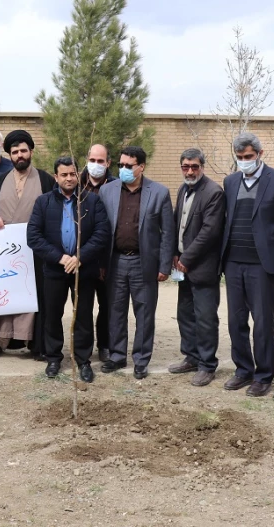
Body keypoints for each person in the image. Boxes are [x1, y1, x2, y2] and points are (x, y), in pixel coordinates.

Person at [220, 132, 274, 397]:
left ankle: (264, 375)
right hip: (233, 263)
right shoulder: (230, 182)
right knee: (235, 321)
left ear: (259, 154)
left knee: (263, 322)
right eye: (239, 158)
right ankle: (243, 370)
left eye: (248, 157)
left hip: (262, 265)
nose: (244, 162)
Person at [27, 156, 110, 382]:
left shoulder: (91, 202)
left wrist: (79, 258)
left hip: (83, 270)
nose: (69, 178)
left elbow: (102, 234)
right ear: (56, 177)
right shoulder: (43, 202)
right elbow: (33, 237)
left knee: (83, 315)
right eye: (64, 174)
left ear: (78, 175)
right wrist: (60, 258)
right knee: (52, 315)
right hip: (55, 270)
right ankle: (54, 357)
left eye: (73, 174)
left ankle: (83, 361)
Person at [99, 146, 175, 380]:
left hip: (144, 263)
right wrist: (101, 263)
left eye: (128, 166)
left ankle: (141, 360)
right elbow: (102, 230)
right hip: (116, 261)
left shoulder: (159, 192)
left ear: (141, 167)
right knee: (115, 310)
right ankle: (117, 355)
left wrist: (164, 266)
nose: (123, 169)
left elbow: (167, 233)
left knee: (144, 313)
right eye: (120, 165)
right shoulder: (107, 191)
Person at [0, 130, 55, 359]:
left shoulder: (45, 180)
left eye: (24, 150)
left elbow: (53, 213)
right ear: (10, 155)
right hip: (4, 252)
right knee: (3, 294)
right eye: (15, 152)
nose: (20, 155)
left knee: (32, 295)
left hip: (36, 251)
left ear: (31, 152)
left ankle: (33, 341)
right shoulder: (0, 180)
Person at [168, 148, 225, 387]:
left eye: (194, 167)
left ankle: (207, 364)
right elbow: (176, 223)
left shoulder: (213, 192)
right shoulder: (183, 189)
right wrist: (173, 253)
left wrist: (186, 258)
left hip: (202, 267)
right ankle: (191, 357)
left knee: (205, 318)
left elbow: (209, 232)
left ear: (202, 167)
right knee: (185, 314)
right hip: (182, 266)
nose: (190, 171)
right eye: (185, 166)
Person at [79, 143, 116, 362]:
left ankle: (105, 345)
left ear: (108, 163)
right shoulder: (76, 185)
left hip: (104, 258)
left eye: (100, 161)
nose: (96, 165)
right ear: (86, 159)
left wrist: (103, 261)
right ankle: (82, 348)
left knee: (106, 305)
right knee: (82, 306)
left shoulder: (115, 186)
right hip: (79, 257)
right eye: (92, 160)